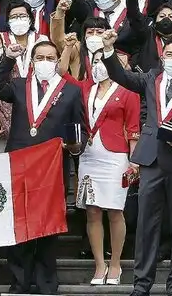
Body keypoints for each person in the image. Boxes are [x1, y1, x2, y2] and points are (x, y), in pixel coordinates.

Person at [100, 30, 172, 296]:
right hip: (152, 160)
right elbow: (122, 76)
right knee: (146, 226)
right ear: (162, 57)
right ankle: (141, 285)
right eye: (169, 54)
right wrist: (109, 51)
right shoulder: (152, 78)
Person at [0, 40, 84, 294]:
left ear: (57, 61)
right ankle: (19, 280)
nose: (45, 62)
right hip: (18, 166)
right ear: (32, 61)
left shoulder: (71, 91)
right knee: (18, 223)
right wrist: (8, 59)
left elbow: (79, 130)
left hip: (52, 169)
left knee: (47, 224)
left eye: (50, 57)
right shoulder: (20, 86)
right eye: (40, 57)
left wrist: (76, 146)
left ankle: (46, 281)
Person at [59, 43, 140, 285]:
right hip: (88, 155)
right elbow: (62, 73)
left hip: (116, 156)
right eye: (94, 62)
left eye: (103, 62)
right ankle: (99, 265)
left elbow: (134, 130)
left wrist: (134, 163)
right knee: (92, 211)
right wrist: (68, 47)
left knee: (115, 211)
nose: (98, 67)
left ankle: (115, 263)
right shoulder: (84, 89)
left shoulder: (128, 92)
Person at [1, 0, 49, 78]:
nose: (18, 19)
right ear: (8, 21)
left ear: (30, 19)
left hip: (35, 84)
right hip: (8, 85)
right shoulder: (0, 39)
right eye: (14, 17)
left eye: (23, 16)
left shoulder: (42, 39)